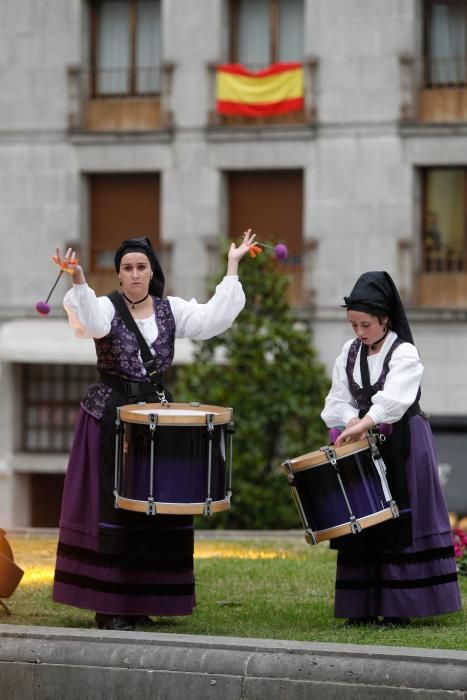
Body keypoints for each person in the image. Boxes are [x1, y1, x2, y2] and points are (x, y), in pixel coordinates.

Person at [52, 230, 255, 631]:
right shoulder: (105, 308)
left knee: (154, 509)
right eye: (126, 268)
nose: (134, 274)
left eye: (141, 266)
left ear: (151, 271)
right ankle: (111, 606)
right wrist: (77, 277)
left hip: (157, 423)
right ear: (119, 274)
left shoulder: (171, 310)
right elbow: (90, 323)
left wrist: (232, 265)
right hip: (111, 418)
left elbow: (214, 318)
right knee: (117, 511)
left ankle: (144, 600)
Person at [321, 271, 462, 627]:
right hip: (364, 443)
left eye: (365, 324)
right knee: (364, 518)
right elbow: (337, 399)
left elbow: (395, 401)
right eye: (353, 324)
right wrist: (349, 420)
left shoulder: (405, 353)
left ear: (385, 318)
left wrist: (361, 424)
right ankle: (362, 606)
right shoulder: (349, 353)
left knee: (400, 516)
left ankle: (400, 607)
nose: (359, 332)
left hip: (405, 444)